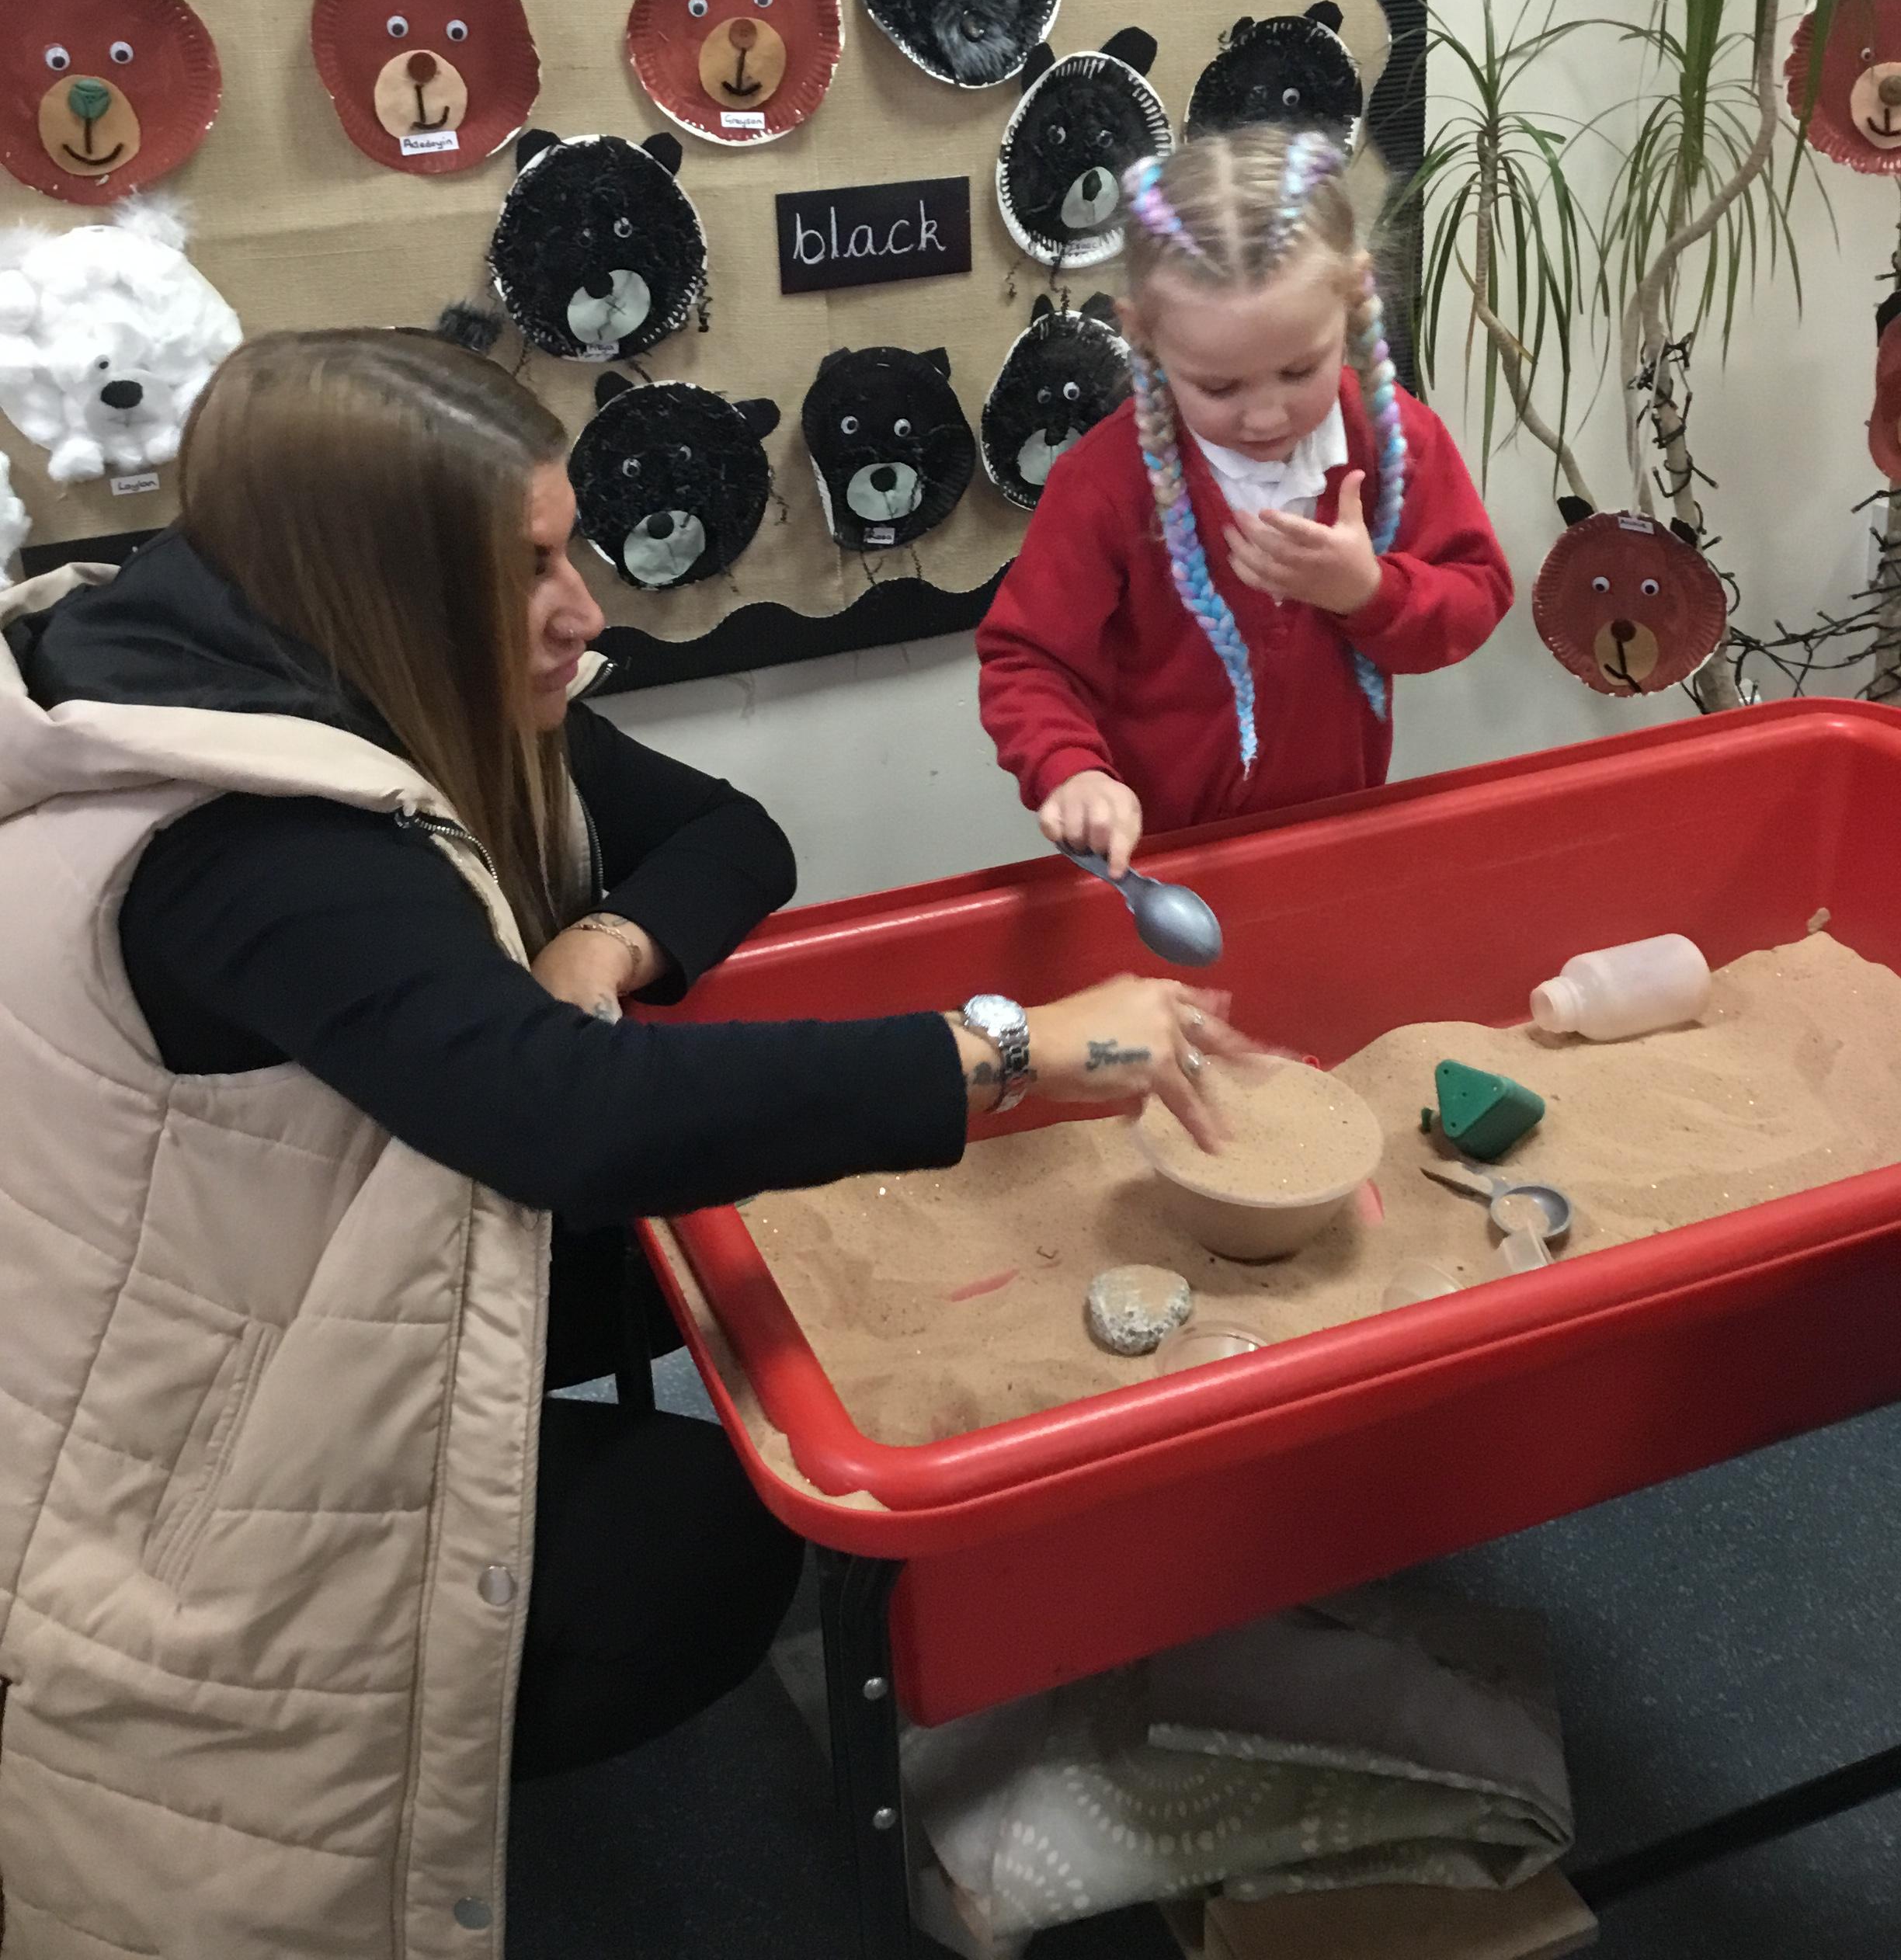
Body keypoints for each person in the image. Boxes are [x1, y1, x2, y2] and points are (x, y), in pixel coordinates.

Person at [0, 328, 1252, 1960]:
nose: (585, 607)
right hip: (182, 1465)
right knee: (715, 1533)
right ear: (383, 579)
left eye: (570, 544)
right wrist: (1017, 1050)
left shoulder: (329, 653)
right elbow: (569, 1121)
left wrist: (605, 940)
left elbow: (732, 835)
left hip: (281, 1271)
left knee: (744, 1279)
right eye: (527, 569)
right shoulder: (245, 840)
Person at [978, 126, 1514, 874]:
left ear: (1353, 301)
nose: (1263, 417)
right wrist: (1071, 770)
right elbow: (1027, 659)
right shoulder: (1106, 482)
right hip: (1157, 865)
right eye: (1219, 386)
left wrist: (1368, 594)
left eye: (1299, 371)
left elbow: (1476, 594)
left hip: (1332, 842)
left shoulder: (1395, 441)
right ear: (1144, 337)